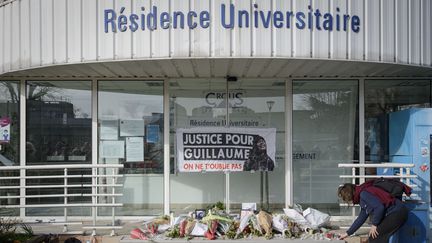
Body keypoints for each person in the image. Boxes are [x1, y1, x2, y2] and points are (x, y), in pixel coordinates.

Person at [337, 181, 409, 242]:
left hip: (397, 212)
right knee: (374, 237)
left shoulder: (363, 194)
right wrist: (347, 233)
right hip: (395, 212)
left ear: (349, 195)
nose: (349, 202)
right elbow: (360, 219)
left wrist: (374, 224)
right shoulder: (361, 196)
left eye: (347, 200)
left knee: (374, 237)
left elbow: (379, 207)